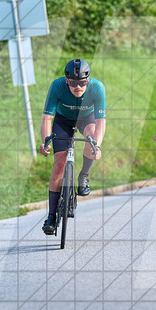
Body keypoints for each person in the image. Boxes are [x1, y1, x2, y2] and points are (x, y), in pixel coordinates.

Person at [39, 59, 106, 235]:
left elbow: (101, 122)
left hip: (86, 119)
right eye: (74, 83)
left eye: (82, 83)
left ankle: (83, 176)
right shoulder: (57, 86)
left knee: (91, 140)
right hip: (63, 121)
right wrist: (45, 141)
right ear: (67, 80)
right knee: (59, 164)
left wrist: (97, 146)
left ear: (88, 80)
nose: (78, 87)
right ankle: (51, 216)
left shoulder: (97, 88)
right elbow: (47, 118)